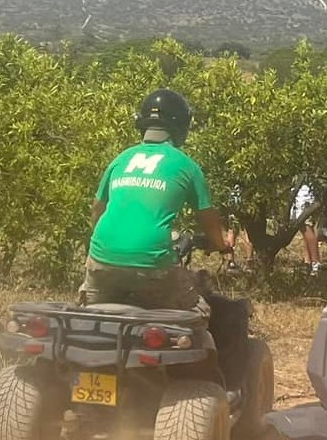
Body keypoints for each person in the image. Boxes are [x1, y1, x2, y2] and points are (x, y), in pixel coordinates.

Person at [82, 88, 231, 315]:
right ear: (181, 126)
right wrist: (220, 244)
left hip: (102, 257)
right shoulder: (187, 165)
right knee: (196, 313)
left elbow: (97, 211)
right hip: (153, 264)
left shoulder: (121, 159)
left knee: (92, 316)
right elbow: (208, 219)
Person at [291, 183, 322, 274]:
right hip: (304, 190)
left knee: (305, 226)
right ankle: (308, 261)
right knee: (307, 227)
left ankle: (315, 262)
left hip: (303, 192)